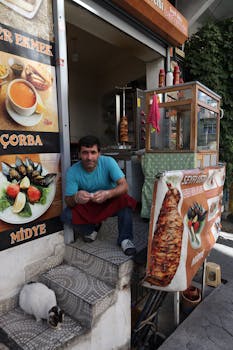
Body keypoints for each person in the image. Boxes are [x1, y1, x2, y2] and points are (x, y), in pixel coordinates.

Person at [62, 135, 137, 256]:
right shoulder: (73, 171)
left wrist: (108, 194)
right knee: (66, 215)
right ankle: (92, 228)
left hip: (110, 201)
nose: (89, 157)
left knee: (125, 200)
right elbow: (68, 200)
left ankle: (125, 239)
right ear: (79, 154)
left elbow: (124, 186)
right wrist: (76, 197)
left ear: (99, 153)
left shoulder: (108, 162)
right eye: (85, 153)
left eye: (93, 152)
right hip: (89, 203)